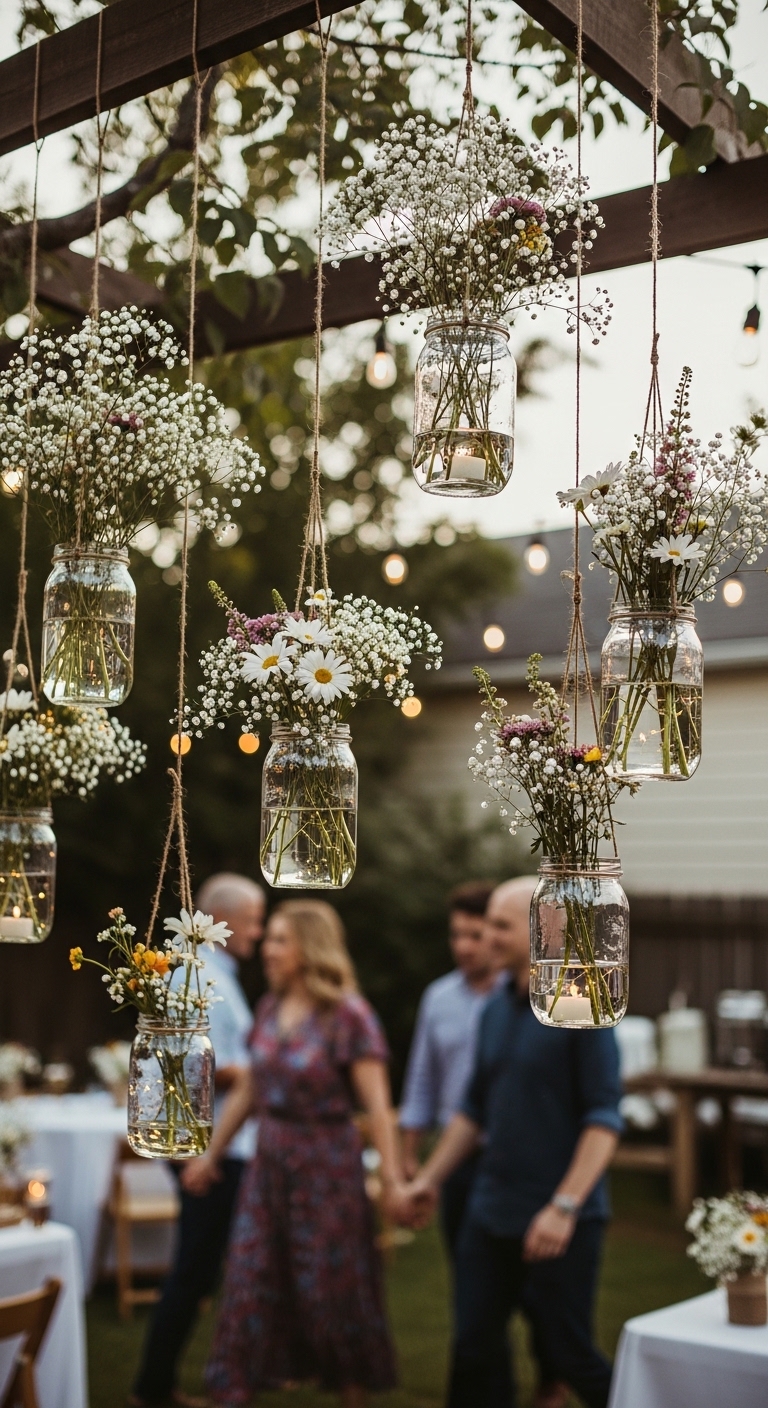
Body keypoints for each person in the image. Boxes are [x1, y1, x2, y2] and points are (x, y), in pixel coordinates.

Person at [405, 877, 622, 1408]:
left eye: (499, 926)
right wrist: (427, 1181)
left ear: (539, 927)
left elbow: (604, 1120)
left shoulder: (581, 1000)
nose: (486, 937)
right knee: (475, 1347)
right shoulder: (497, 1007)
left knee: (569, 1355)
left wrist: (564, 1207)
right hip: (489, 1209)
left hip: (558, 1219)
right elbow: (473, 1110)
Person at [183, 899, 402, 1408]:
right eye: (270, 939)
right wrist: (211, 1154)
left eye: (281, 940)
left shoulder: (348, 1015)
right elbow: (250, 1089)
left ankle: (352, 1393)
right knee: (248, 1279)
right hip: (269, 1165)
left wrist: (392, 1180)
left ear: (310, 946)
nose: (268, 950)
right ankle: (231, 1391)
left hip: (327, 1170)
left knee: (331, 1288)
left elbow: (378, 1106)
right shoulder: (269, 1008)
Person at [130, 872, 266, 1408]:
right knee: (193, 1273)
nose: (258, 932)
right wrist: (254, 1074)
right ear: (226, 921)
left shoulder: (219, 975)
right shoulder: (194, 974)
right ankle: (153, 1386)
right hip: (213, 1150)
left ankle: (169, 1381)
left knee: (202, 1272)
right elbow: (188, 1065)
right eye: (254, 921)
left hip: (226, 1145)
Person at [399, 879, 500, 1255]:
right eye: (456, 935)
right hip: (454, 1159)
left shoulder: (524, 999)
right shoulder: (438, 998)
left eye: (475, 936)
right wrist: (411, 1155)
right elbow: (422, 1079)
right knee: (463, 1264)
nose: (464, 947)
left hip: (506, 1152)